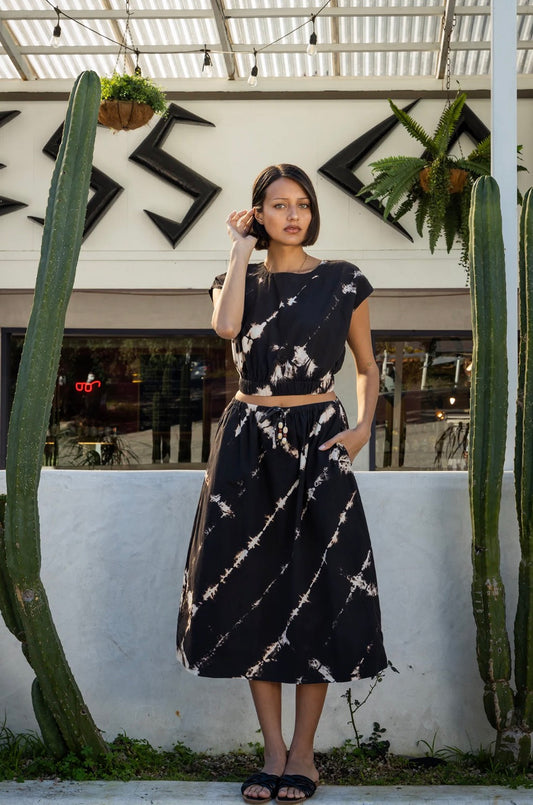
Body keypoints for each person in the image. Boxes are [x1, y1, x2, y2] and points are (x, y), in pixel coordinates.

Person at [177, 164, 387, 804]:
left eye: (302, 204)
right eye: (277, 205)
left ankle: (304, 755)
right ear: (257, 214)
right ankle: (272, 753)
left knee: (318, 592)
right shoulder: (234, 279)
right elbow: (226, 329)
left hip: (319, 442)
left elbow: (367, 365)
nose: (292, 215)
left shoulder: (343, 280)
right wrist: (240, 252)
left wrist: (361, 430)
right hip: (248, 446)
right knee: (251, 591)